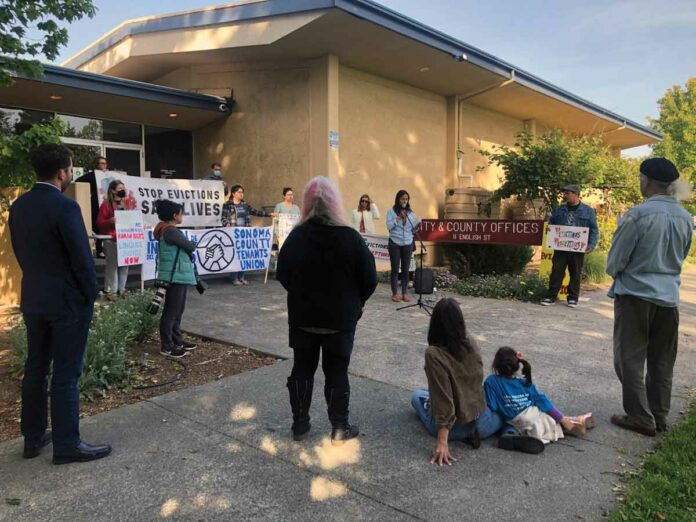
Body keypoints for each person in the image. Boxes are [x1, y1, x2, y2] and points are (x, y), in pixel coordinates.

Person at [9, 143, 110, 464]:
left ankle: (34, 438)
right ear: (62, 172)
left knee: (36, 368)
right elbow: (82, 259)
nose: (70, 173)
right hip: (67, 302)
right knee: (66, 373)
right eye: (70, 168)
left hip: (34, 298)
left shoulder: (20, 206)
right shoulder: (65, 207)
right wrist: (90, 294)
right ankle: (67, 445)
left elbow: (23, 253)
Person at [277, 176, 377, 445]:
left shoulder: (297, 236)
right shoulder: (350, 238)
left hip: (303, 317)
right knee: (337, 372)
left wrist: (301, 295)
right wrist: (356, 304)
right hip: (340, 319)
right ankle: (339, 428)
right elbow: (370, 279)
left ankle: (300, 424)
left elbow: (282, 274)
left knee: (302, 369)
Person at [607, 158, 693, 437]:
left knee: (629, 359)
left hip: (635, 296)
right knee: (662, 360)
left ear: (646, 181)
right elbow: (682, 255)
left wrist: (619, 273)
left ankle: (640, 416)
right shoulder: (685, 218)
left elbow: (615, 261)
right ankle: (659, 414)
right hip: (669, 298)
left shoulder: (638, 215)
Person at [410, 298, 506, 466]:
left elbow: (443, 398)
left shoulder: (434, 354)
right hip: (483, 422)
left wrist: (442, 441)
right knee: (505, 414)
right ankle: (510, 431)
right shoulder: (471, 342)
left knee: (417, 395)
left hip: (455, 427)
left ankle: (460, 433)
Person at [484, 347, 593, 454]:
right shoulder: (525, 382)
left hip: (517, 420)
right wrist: (561, 418)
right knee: (549, 418)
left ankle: (510, 435)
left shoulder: (491, 381)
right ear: (517, 365)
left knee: (510, 422)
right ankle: (573, 422)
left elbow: (492, 406)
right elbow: (543, 402)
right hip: (535, 416)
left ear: (496, 365)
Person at [153, 200, 199, 359]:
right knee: (171, 312)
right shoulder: (170, 231)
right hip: (175, 276)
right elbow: (190, 246)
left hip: (177, 274)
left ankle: (176, 340)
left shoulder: (167, 229)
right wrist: (191, 243)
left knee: (177, 310)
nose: (182, 215)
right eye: (181, 212)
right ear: (174, 215)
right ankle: (167, 346)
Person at [541, 184, 599, 308]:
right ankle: (551, 296)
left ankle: (573, 298)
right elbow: (552, 224)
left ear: (576, 194)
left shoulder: (588, 211)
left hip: (578, 247)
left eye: (568, 193)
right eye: (565, 193)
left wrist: (591, 244)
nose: (565, 195)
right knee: (556, 272)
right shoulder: (560, 209)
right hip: (560, 247)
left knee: (575, 273)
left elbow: (594, 229)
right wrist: (550, 231)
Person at [221, 184, 277, 285]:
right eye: (239, 192)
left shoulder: (245, 205)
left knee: (244, 255)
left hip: (245, 234)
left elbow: (255, 212)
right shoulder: (227, 204)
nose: (241, 194)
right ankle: (234, 278)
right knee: (235, 256)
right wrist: (227, 223)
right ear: (233, 193)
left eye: (242, 192)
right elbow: (223, 218)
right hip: (234, 234)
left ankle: (241, 277)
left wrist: (269, 214)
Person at [96, 179, 130, 299]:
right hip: (111, 239)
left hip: (124, 238)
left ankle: (122, 289)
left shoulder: (125, 204)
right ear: (113, 191)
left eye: (123, 188)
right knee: (113, 266)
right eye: (120, 188)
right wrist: (109, 222)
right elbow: (99, 222)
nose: (123, 191)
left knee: (125, 265)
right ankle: (110, 290)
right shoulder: (106, 205)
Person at [386, 189, 419, 303]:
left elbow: (412, 229)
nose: (405, 201)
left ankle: (404, 292)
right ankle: (395, 294)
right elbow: (389, 226)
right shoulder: (391, 212)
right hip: (395, 242)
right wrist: (398, 217)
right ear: (398, 200)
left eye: (406, 199)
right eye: (402, 199)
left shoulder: (411, 213)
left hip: (407, 243)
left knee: (406, 270)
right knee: (395, 269)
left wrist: (417, 226)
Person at [75, 156, 109, 258]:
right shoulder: (91, 176)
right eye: (101, 163)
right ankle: (97, 249)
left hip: (105, 205)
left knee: (103, 227)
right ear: (97, 165)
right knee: (95, 227)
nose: (104, 166)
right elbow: (78, 181)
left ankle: (102, 249)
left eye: (105, 163)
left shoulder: (107, 175)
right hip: (95, 205)